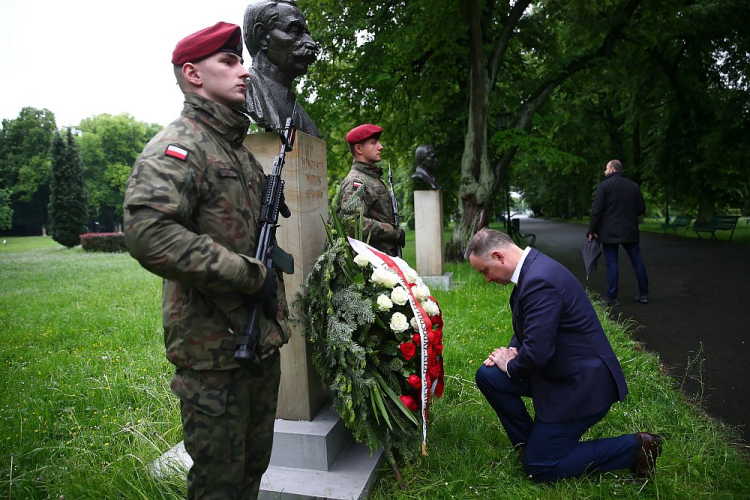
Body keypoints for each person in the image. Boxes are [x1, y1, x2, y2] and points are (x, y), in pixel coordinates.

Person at [123, 22, 292, 500]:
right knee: (218, 481)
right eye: (230, 62)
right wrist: (246, 273)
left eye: (242, 61)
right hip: (212, 348)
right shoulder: (179, 146)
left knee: (254, 467)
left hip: (258, 339)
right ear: (193, 74)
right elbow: (147, 232)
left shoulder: (235, 150)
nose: (244, 72)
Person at [466, 228, 662, 482]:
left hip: (580, 385)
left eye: (485, 271)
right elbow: (532, 330)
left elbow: (536, 355)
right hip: (559, 371)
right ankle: (531, 445)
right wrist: (510, 352)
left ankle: (636, 448)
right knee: (488, 375)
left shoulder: (539, 280)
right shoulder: (532, 270)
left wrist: (511, 365)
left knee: (539, 468)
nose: (487, 279)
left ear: (498, 257)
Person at [243, 0, 322, 138]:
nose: (311, 43)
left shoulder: (304, 120)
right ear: (262, 37)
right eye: (295, 31)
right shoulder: (243, 94)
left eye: (306, 33)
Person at [587, 159, 649, 306]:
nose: (604, 171)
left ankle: (612, 297)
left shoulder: (604, 186)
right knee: (637, 261)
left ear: (612, 170)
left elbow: (597, 210)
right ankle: (644, 294)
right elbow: (641, 209)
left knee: (612, 264)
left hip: (609, 232)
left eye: (606, 169)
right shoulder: (633, 186)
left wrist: (592, 230)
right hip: (630, 230)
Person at [337, 124, 405, 257]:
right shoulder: (356, 182)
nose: (380, 147)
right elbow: (352, 223)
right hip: (371, 263)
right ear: (359, 148)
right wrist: (393, 232)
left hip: (382, 257)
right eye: (373, 143)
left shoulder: (371, 178)